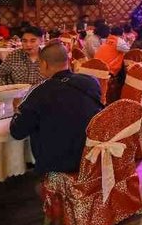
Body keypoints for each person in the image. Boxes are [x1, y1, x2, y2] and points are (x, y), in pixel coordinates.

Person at [9, 42, 103, 174]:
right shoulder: (91, 81)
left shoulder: (39, 92)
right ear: (68, 60)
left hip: (57, 166)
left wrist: (18, 107)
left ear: (44, 64)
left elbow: (17, 132)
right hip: (92, 157)